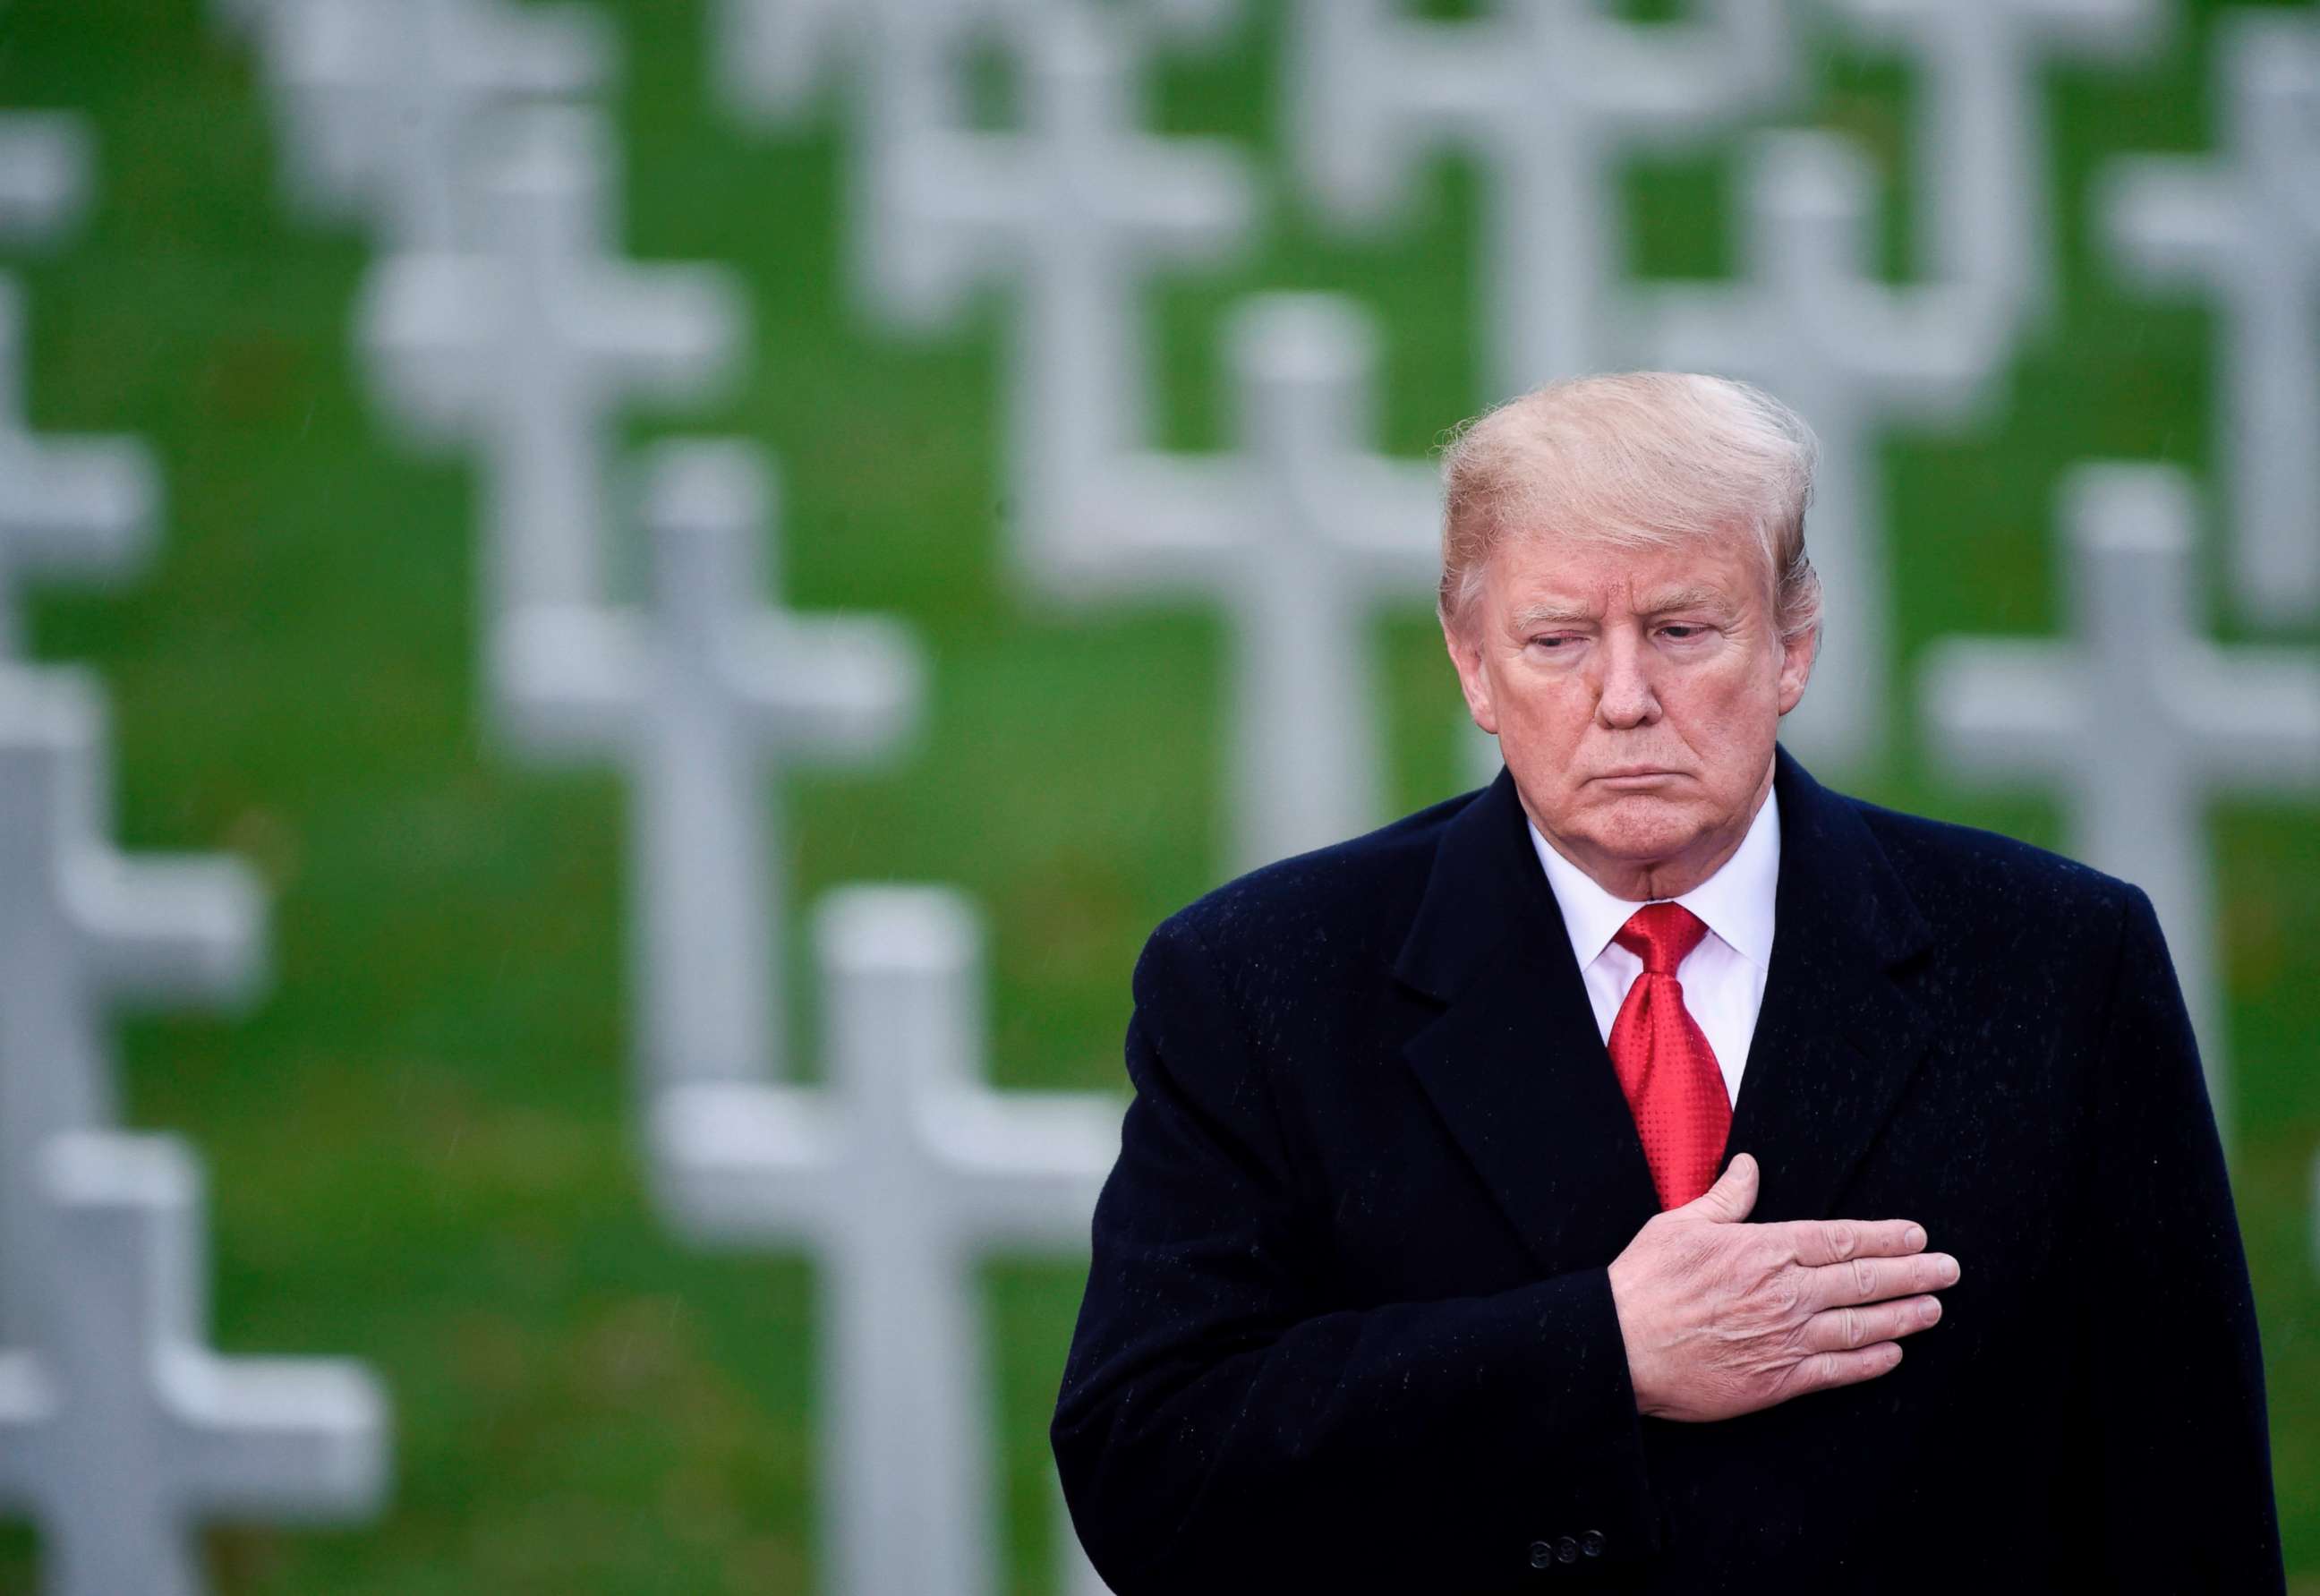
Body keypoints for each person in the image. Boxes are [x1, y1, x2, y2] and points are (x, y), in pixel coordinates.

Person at [1050, 373, 2283, 1592]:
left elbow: (2187, 1505)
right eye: (1558, 642)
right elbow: (1149, 1465)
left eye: (1684, 631)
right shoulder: (1261, 983)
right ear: (1472, 663)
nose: (1626, 700)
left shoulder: (2061, 962)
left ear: (1794, 646)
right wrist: (1597, 1354)